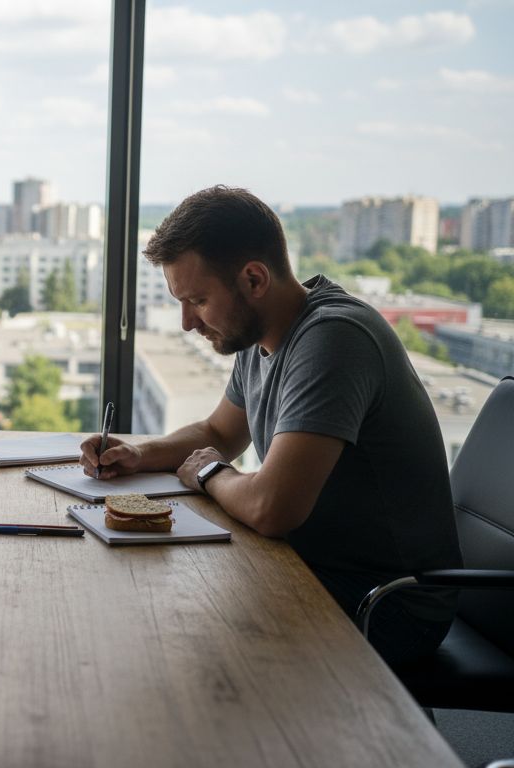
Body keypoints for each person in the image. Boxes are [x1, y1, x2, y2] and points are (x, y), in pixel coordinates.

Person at [79, 185, 461, 666]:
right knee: (157, 611)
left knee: (178, 640)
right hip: (313, 565)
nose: (186, 323)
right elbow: (218, 434)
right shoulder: (263, 335)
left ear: (254, 279)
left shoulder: (334, 340)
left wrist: (211, 475)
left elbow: (271, 508)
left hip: (387, 603)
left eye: (197, 300)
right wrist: (140, 454)